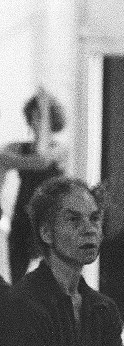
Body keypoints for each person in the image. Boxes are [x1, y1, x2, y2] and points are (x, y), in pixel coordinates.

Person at [0, 176, 124, 346]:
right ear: (47, 233)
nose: (89, 228)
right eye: (74, 220)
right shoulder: (23, 306)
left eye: (95, 218)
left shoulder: (104, 309)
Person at [4, 88, 67, 283]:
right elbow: (2, 160)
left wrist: (45, 109)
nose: (36, 122)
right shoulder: (17, 148)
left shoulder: (60, 150)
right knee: (17, 281)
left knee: (50, 280)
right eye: (33, 117)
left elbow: (41, 159)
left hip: (50, 219)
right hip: (22, 218)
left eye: (41, 118)